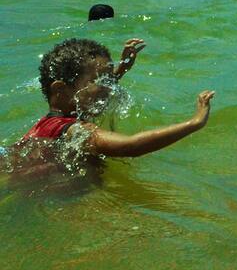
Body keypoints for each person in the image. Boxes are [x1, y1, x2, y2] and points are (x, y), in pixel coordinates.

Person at [10, 38, 214, 178]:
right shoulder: (72, 129)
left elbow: (93, 91)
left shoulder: (51, 123)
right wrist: (194, 122)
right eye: (99, 80)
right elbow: (130, 146)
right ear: (61, 90)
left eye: (108, 79)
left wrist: (122, 69)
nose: (108, 88)